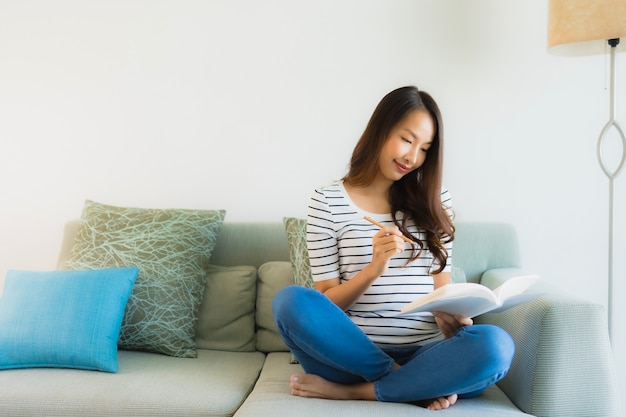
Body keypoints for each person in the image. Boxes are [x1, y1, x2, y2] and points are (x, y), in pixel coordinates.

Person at [272, 86, 515, 410]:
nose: (412, 157)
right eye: (407, 139)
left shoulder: (435, 200)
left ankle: (359, 392)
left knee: (496, 346)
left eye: (424, 148)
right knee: (290, 301)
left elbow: (441, 287)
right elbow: (328, 301)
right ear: (381, 129)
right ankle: (407, 382)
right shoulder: (327, 200)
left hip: (424, 353)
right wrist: (373, 269)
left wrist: (449, 316)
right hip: (349, 356)